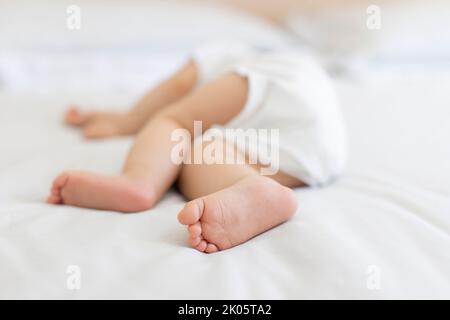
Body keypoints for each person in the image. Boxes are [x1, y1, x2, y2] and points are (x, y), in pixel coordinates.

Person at [47, 42, 347, 253]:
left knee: (174, 122)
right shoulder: (311, 75)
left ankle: (139, 180)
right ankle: (252, 188)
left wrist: (128, 120)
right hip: (324, 148)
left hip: (272, 82)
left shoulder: (226, 54)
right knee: (208, 152)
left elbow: (177, 86)